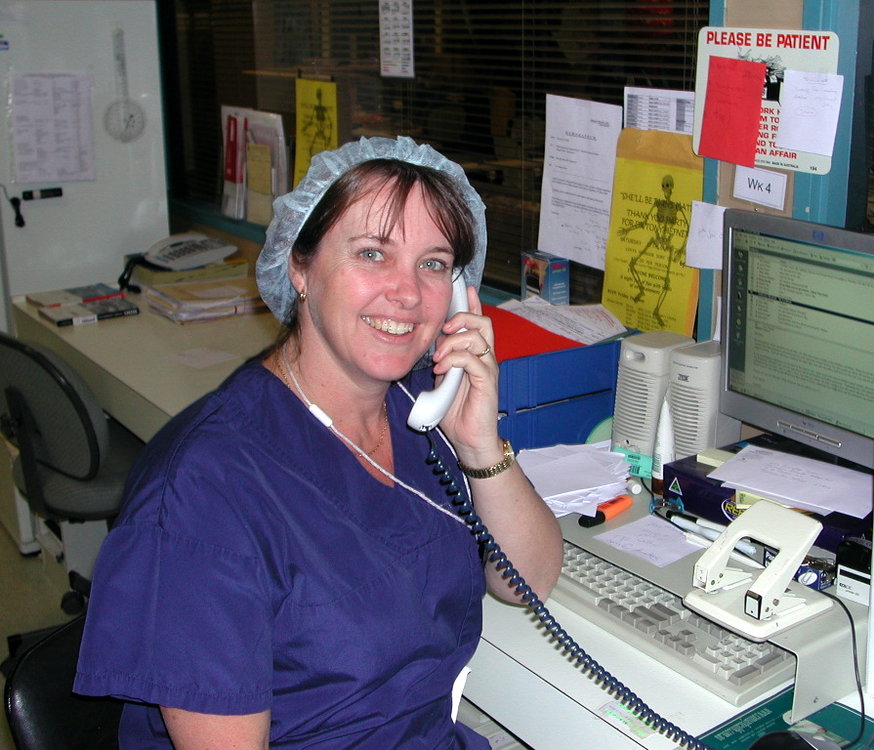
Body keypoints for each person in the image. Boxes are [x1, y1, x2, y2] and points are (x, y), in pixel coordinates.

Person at [74, 136, 564, 749]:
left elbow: (531, 578)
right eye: (371, 253)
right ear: (298, 267)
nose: (408, 293)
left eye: (434, 263)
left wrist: (480, 446)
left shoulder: (418, 406)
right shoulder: (204, 489)